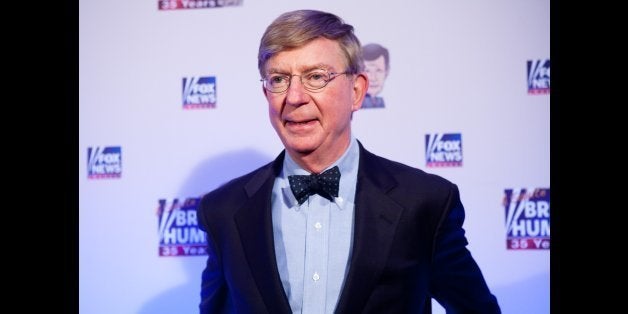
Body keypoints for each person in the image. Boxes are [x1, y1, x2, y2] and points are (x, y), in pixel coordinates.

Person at [197, 9, 501, 314]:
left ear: (356, 91)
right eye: (278, 79)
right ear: (266, 92)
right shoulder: (223, 212)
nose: (294, 96)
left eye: (316, 77)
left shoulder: (424, 202)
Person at [361, 43, 390, 108]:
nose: (373, 78)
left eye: (378, 70)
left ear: (387, 72)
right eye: (367, 71)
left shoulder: (381, 103)